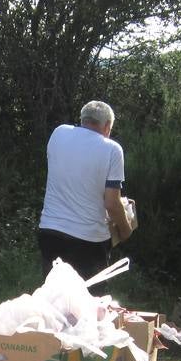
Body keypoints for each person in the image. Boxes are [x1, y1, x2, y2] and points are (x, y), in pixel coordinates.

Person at [38, 100, 133, 282]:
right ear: (107, 127)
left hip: (50, 232)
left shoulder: (59, 133)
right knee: (89, 304)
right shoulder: (112, 150)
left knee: (53, 299)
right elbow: (112, 204)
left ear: (83, 120)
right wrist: (126, 230)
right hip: (88, 241)